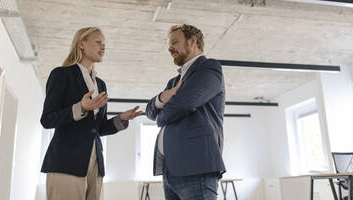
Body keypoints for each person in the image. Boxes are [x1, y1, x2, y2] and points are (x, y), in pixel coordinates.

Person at [40, 27, 141, 200]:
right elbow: (47, 120)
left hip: (95, 164)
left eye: (104, 44)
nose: (103, 47)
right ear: (81, 44)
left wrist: (120, 119)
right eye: (98, 42)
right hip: (66, 162)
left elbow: (98, 129)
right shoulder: (62, 74)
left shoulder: (100, 84)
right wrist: (80, 107)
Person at [146, 24, 226, 200]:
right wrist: (163, 97)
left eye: (175, 42)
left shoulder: (209, 68)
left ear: (193, 41)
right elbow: (149, 111)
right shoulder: (173, 82)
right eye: (169, 44)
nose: (170, 48)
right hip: (171, 169)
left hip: (196, 166)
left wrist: (161, 118)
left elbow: (184, 103)